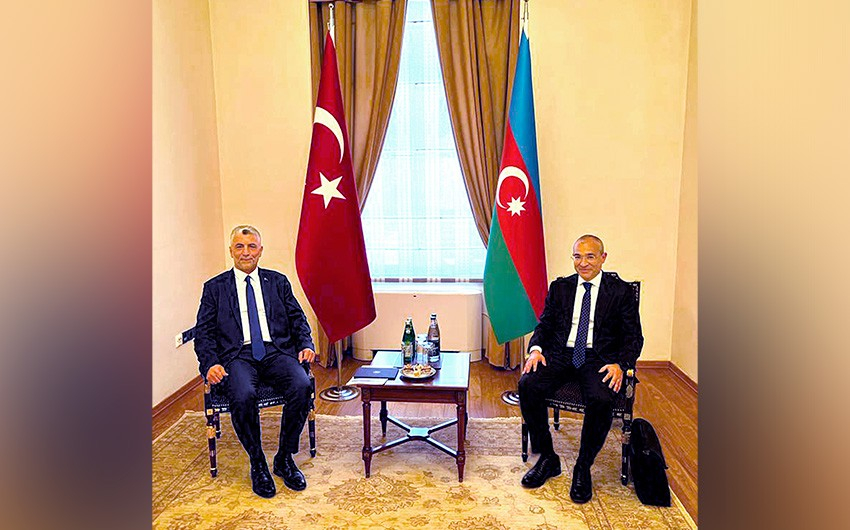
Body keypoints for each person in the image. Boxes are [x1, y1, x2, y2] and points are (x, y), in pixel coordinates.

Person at [518, 234, 643, 503]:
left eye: (590, 256)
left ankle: (583, 466)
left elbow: (633, 337)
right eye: (577, 256)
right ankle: (548, 458)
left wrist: (621, 365)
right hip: (560, 353)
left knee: (601, 398)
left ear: (603, 258)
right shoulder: (560, 288)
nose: (583, 263)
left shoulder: (620, 291)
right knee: (528, 384)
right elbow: (545, 325)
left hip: (600, 358)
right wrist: (536, 349)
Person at [194, 225, 317, 498]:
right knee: (243, 394)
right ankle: (258, 461)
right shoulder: (214, 288)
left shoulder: (278, 282)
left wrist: (306, 344)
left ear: (260, 251)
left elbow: (297, 319)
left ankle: (284, 458)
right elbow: (204, 332)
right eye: (239, 246)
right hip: (237, 355)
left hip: (276, 351)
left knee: (300, 385)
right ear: (231, 251)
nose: (246, 252)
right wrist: (210, 363)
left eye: (252, 246)